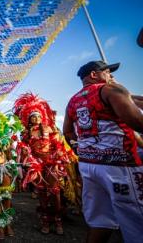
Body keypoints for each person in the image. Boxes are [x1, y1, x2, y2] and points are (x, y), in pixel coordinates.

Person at [63, 60, 143, 243]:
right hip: (120, 166)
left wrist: (85, 148)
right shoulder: (109, 90)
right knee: (137, 219)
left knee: (101, 220)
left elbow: (67, 132)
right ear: (94, 74)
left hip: (89, 166)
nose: (111, 76)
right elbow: (136, 122)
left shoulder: (73, 100)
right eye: (108, 72)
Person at [14, 93, 70, 235]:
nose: (36, 118)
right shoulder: (26, 133)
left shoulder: (51, 129)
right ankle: (45, 220)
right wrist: (29, 159)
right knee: (42, 193)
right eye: (33, 116)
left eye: (38, 116)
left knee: (55, 192)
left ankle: (57, 220)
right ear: (29, 118)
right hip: (37, 166)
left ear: (42, 117)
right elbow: (25, 150)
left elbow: (58, 146)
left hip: (51, 164)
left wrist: (57, 162)